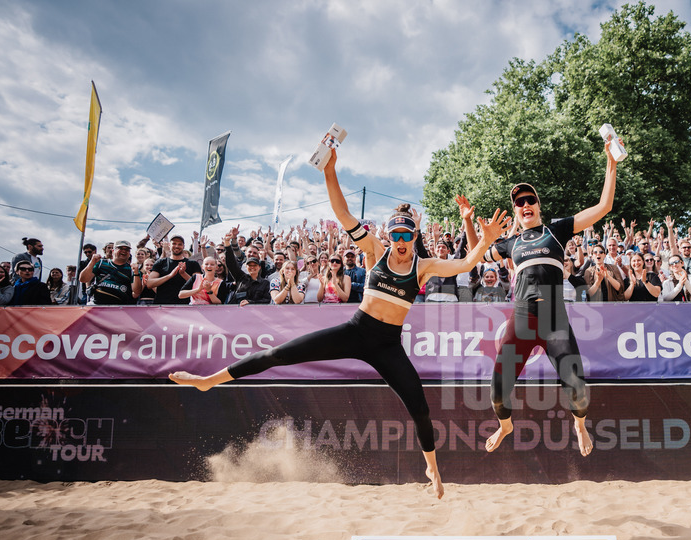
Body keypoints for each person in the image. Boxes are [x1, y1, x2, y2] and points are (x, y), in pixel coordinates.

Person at [169, 148, 510, 500]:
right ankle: (210, 381)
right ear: (389, 235)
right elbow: (342, 212)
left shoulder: (422, 267)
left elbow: (467, 264)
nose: (402, 242)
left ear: (414, 237)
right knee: (277, 355)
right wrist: (330, 171)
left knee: (419, 406)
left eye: (408, 236)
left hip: (388, 345)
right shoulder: (375, 250)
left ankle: (433, 469)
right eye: (397, 235)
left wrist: (484, 238)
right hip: (356, 331)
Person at [478, 138, 619, 458]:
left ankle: (579, 424)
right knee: (497, 395)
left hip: (555, 319)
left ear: (538, 206)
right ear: (516, 211)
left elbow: (603, 208)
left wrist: (611, 164)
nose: (524, 203)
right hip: (523, 318)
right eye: (519, 201)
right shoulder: (510, 244)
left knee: (580, 394)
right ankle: (505, 426)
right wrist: (477, 232)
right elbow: (475, 257)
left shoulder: (556, 231)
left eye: (530, 199)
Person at [78, 240, 142, 305]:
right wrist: (92, 262)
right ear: (113, 251)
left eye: (127, 249)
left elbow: (136, 293)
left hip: (118, 308)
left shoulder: (132, 269)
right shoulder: (101, 263)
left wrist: (136, 273)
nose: (124, 251)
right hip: (96, 305)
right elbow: (83, 279)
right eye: (120, 248)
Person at [148, 235, 201, 304]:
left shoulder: (193, 264)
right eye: (174, 243)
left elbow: (199, 285)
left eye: (180, 244)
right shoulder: (161, 262)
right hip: (162, 306)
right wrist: (169, 276)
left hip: (186, 306)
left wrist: (183, 274)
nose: (177, 246)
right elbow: (149, 284)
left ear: (183, 246)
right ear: (169, 245)